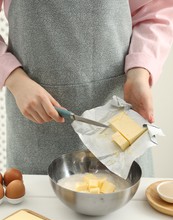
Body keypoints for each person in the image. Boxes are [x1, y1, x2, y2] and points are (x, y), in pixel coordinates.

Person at [0, 0, 173, 175]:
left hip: (117, 115)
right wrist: (14, 78)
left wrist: (139, 73)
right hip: (35, 122)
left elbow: (154, 13)